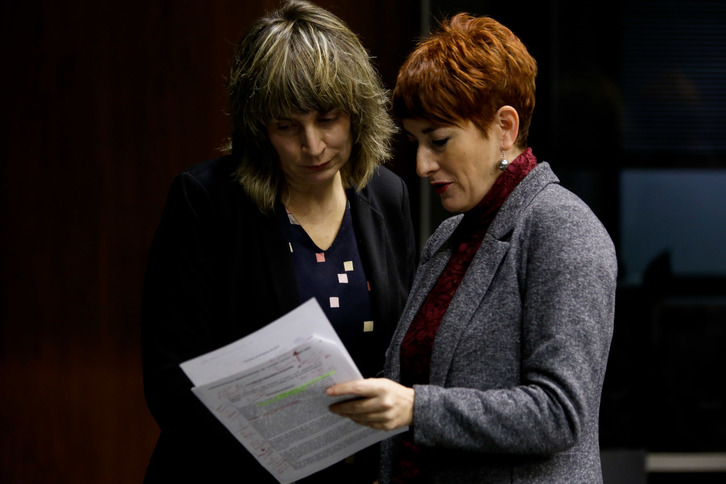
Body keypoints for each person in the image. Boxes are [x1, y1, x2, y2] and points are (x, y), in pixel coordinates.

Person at [327, 13, 617, 484]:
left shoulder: (562, 227)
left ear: (504, 127)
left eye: (439, 140)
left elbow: (560, 413)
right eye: (417, 142)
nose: (422, 165)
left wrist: (415, 408)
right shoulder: (450, 237)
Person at [141, 1, 416, 482]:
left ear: (358, 113)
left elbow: (405, 350)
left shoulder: (387, 196)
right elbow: (169, 381)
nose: (312, 146)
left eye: (328, 118)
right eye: (287, 126)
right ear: (259, 128)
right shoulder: (206, 202)